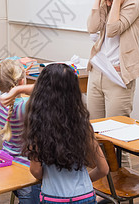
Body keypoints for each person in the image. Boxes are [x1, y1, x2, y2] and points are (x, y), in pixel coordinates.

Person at [22, 63, 109, 204]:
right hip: (85, 196)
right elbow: (103, 169)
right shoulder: (83, 125)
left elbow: (36, 171)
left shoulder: (38, 125)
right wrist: (84, 182)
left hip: (53, 198)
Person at [86, 0, 139, 120]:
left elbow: (113, 29)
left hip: (119, 74)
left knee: (115, 130)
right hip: (97, 70)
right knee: (93, 128)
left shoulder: (135, 1)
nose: (108, 3)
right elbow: (92, 27)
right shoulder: (105, 1)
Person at [0, 59, 39, 203]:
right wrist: (21, 86)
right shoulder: (24, 106)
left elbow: (2, 72)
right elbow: (47, 89)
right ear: (21, 82)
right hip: (27, 170)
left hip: (9, 163)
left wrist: (20, 76)